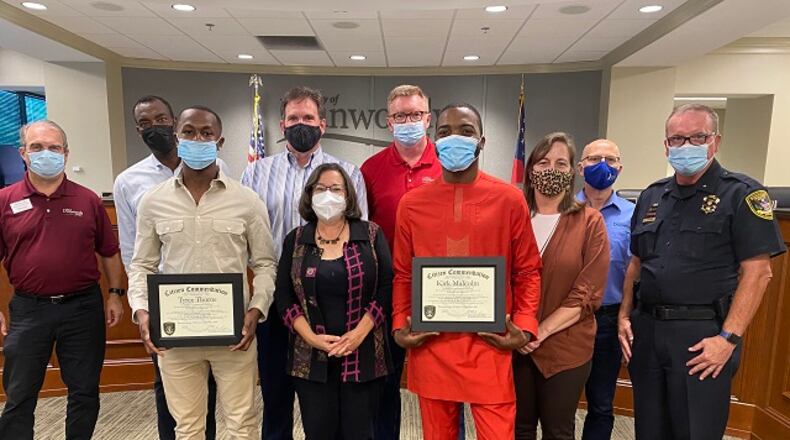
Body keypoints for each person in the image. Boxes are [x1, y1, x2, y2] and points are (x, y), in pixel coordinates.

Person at [618, 104, 786, 440]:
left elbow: (759, 273)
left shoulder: (742, 194)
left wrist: (728, 340)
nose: (686, 146)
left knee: (695, 432)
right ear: (666, 146)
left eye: (698, 137)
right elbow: (635, 265)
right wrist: (624, 316)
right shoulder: (652, 196)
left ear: (715, 141)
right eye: (677, 139)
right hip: (647, 332)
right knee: (649, 431)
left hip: (701, 336)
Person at [392, 103, 542, 439]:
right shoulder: (412, 204)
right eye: (444, 133)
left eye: (466, 131)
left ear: (481, 142)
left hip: (490, 344)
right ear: (434, 140)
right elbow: (403, 273)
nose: (454, 139)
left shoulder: (509, 200)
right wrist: (400, 322)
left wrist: (525, 325)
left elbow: (528, 271)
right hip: (432, 344)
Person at [127, 106, 277, 439]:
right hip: (177, 338)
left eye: (206, 133)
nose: (198, 138)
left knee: (242, 422)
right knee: (188, 427)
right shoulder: (153, 202)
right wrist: (142, 310)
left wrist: (257, 308)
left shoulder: (247, 201)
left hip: (235, 334)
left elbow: (265, 263)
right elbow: (142, 264)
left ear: (219, 141)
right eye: (190, 132)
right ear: (177, 138)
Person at [241, 86, 367, 440]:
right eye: (294, 118)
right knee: (276, 396)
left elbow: (362, 241)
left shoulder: (348, 173)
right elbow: (246, 238)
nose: (301, 124)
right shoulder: (255, 174)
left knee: (329, 407)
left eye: (308, 118)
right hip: (276, 299)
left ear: (322, 124)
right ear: (282, 124)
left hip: (332, 303)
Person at [0, 120, 125, 440]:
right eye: (37, 147)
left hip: (82, 308)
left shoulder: (88, 200)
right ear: (23, 153)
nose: (46, 154)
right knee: (19, 393)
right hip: (29, 309)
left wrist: (113, 294)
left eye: (54, 148)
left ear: (66, 153)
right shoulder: (5, 200)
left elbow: (109, 252)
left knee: (84, 391)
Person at [113, 95, 219, 440]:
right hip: (167, 300)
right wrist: (141, 308)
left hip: (214, 295)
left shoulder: (223, 170)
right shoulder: (129, 181)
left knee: (214, 386)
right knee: (171, 390)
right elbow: (133, 254)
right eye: (144, 122)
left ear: (172, 123)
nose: (153, 127)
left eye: (160, 119)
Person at [275, 163, 392, 440]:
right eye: (321, 188)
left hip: (363, 356)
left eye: (336, 188)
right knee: (318, 432)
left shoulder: (371, 235)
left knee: (360, 433)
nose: (328, 194)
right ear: (310, 195)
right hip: (310, 358)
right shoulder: (297, 239)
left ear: (348, 196)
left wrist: (359, 334)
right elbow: (284, 296)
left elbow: (386, 288)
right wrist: (311, 337)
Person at [513, 132, 609, 440]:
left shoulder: (590, 222)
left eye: (560, 163)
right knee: (519, 429)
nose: (551, 169)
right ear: (530, 169)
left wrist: (539, 332)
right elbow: (495, 282)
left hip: (566, 347)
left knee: (558, 431)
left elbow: (587, 293)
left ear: (572, 171)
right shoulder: (513, 217)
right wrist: (516, 330)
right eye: (543, 162)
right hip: (514, 344)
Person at [359, 84, 442, 440]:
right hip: (386, 292)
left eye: (415, 115)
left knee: (439, 387)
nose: (408, 121)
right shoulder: (370, 169)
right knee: (384, 386)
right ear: (389, 122)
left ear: (428, 119)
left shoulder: (448, 164)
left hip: (439, 290)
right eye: (400, 116)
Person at [576, 139, 634, 440]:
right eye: (594, 158)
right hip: (567, 320)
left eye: (610, 160)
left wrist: (627, 317)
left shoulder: (633, 215)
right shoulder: (563, 211)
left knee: (600, 404)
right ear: (579, 167)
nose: (602, 165)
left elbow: (635, 272)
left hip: (609, 320)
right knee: (559, 401)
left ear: (620, 168)